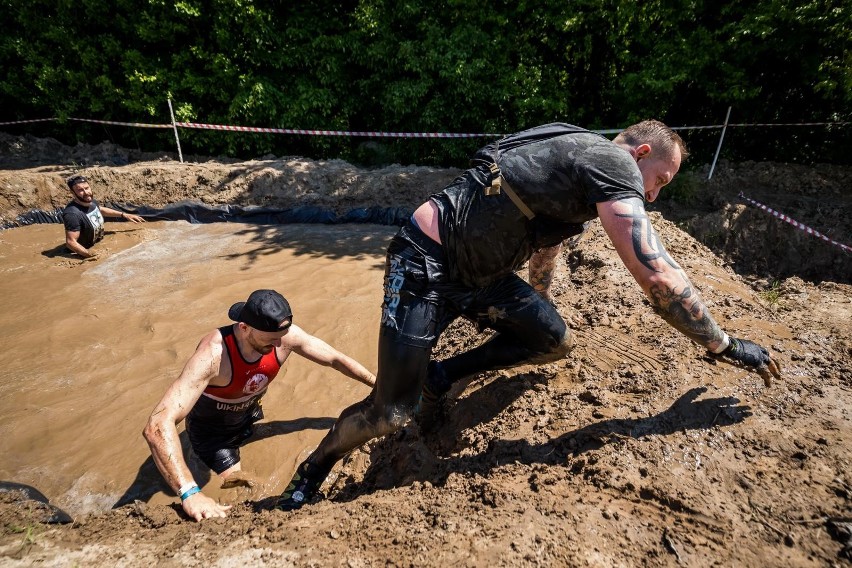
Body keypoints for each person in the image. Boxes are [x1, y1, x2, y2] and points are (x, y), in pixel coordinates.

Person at [276, 120, 781, 511]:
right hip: (426, 262)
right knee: (390, 413)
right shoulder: (613, 162)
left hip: (485, 276)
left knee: (552, 340)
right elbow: (658, 278)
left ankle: (441, 375)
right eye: (660, 180)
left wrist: (526, 310)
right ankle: (312, 470)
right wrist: (724, 344)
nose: (653, 194)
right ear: (641, 153)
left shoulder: (575, 158)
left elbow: (543, 251)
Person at [143, 289, 375, 521]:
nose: (279, 345)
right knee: (245, 488)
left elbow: (336, 359)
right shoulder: (213, 356)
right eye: (271, 339)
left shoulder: (283, 336)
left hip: (248, 412)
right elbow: (157, 425)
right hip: (214, 435)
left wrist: (378, 386)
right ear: (244, 328)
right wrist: (190, 493)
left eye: (281, 336)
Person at [62, 174, 145, 258]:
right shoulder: (72, 214)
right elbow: (70, 242)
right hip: (80, 253)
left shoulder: (91, 201)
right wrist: (91, 255)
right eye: (80, 190)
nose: (86, 192)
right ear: (73, 193)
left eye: (87, 188)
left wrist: (124, 215)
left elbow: (99, 209)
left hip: (96, 244)